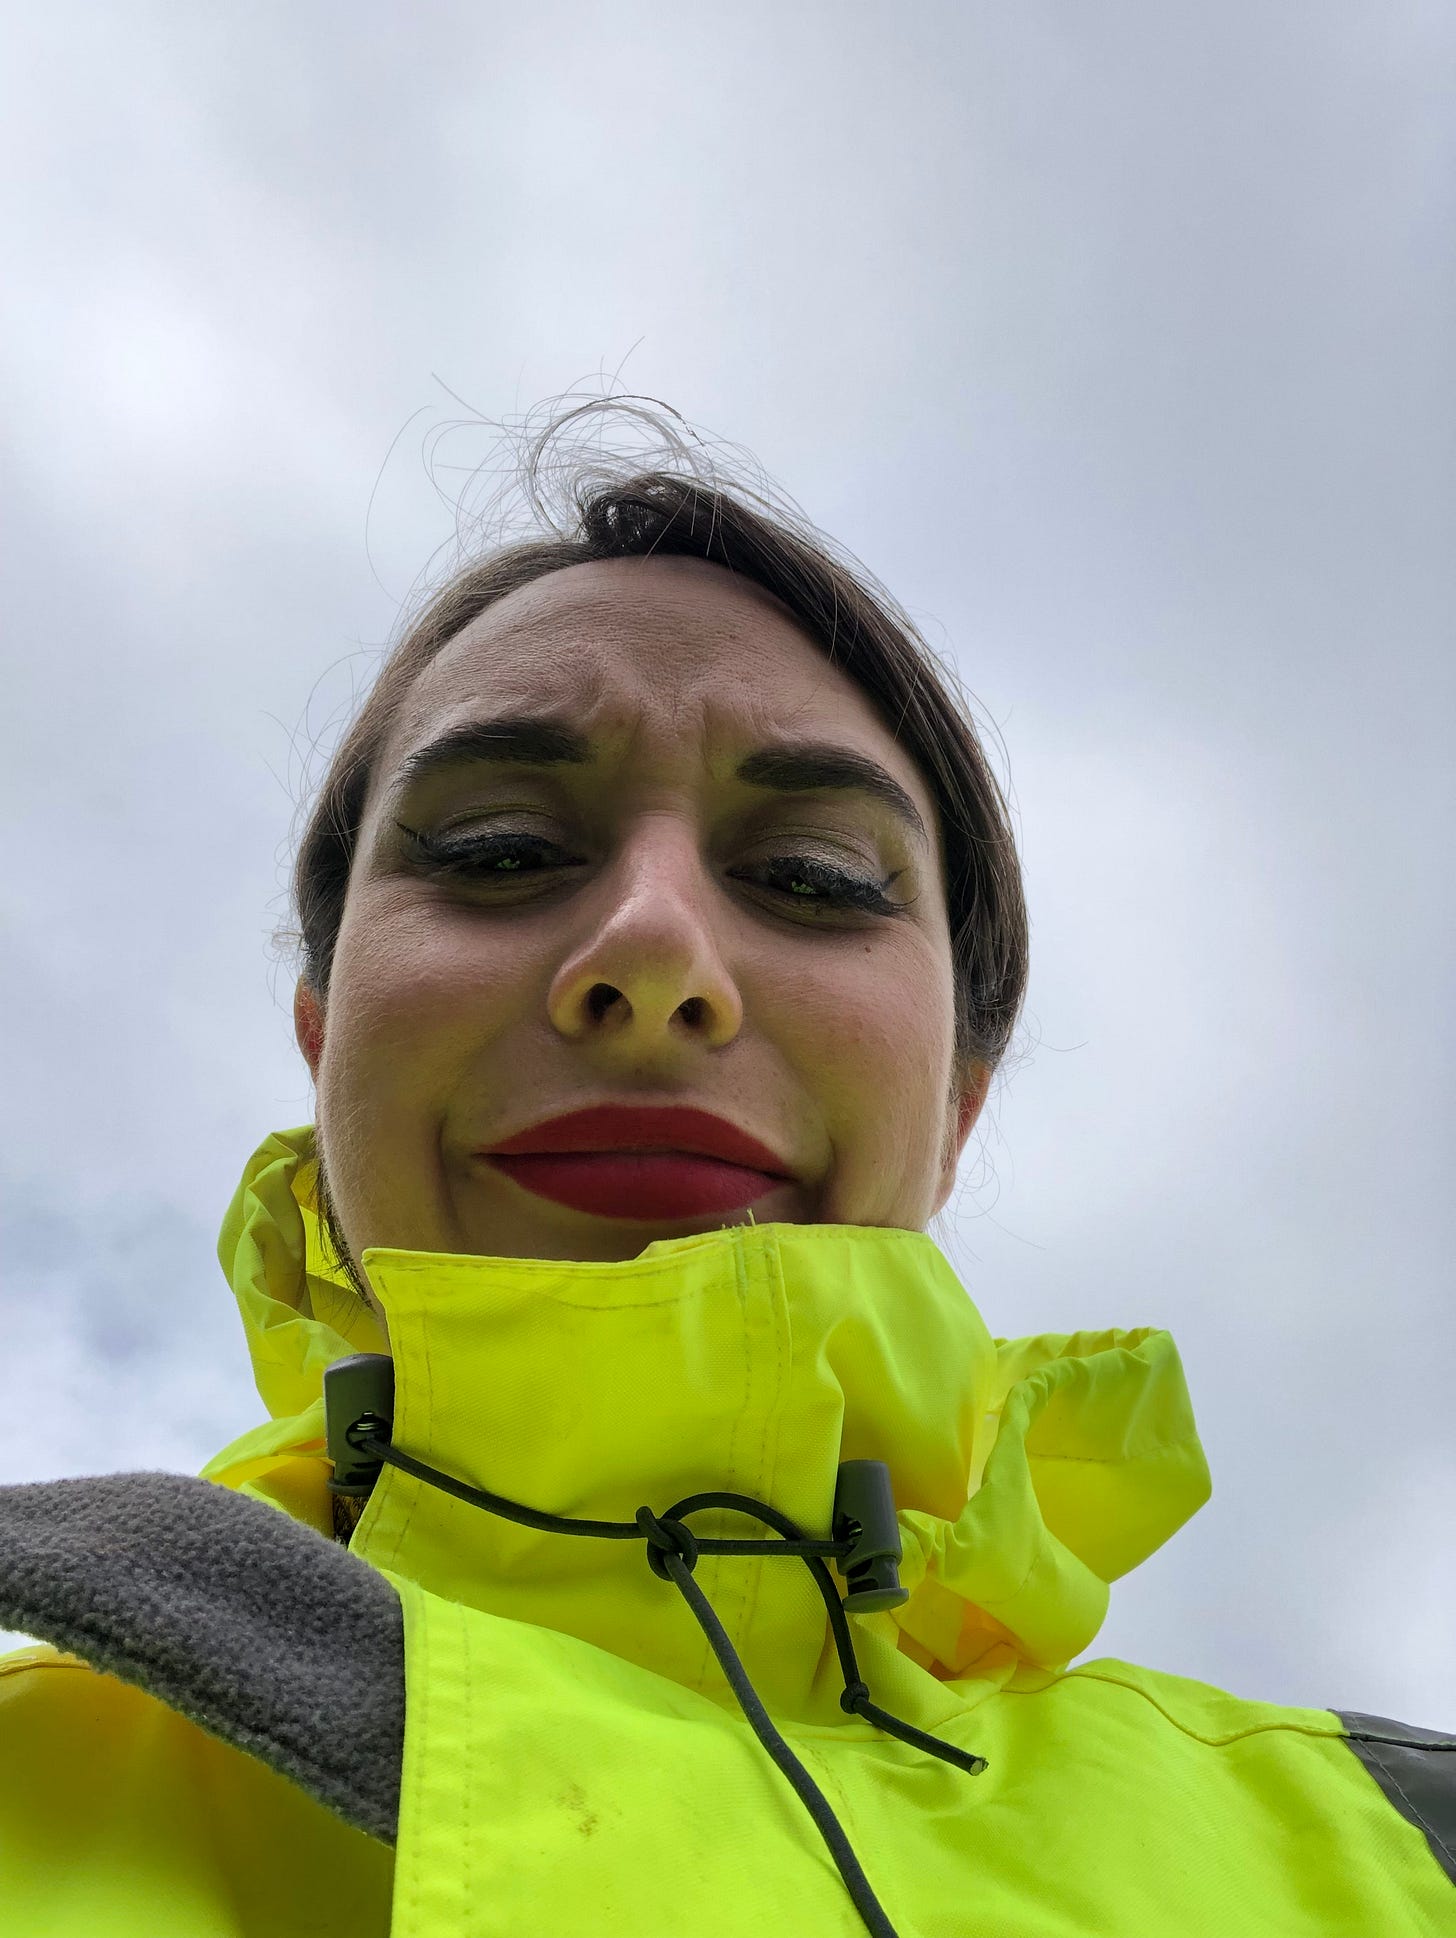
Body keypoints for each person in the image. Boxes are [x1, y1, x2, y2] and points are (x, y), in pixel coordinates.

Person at [1, 405, 1451, 1937]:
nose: (653, 950)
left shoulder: (1407, 1850)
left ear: (955, 1107)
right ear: (323, 1036)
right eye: (497, 848)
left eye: (815, 876)